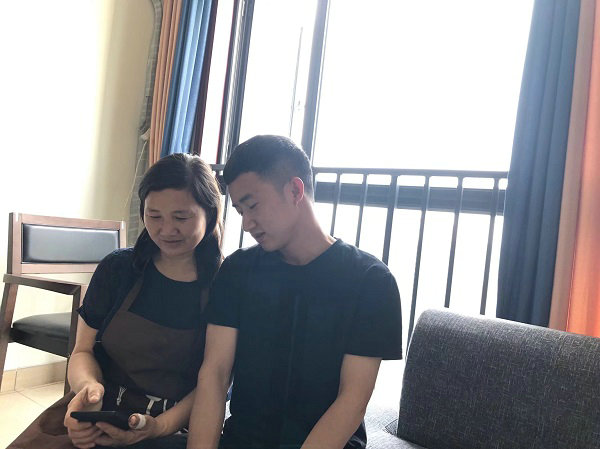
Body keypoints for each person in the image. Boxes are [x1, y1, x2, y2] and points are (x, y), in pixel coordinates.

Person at [187, 135, 403, 449]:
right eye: (240, 211)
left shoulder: (371, 281)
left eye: (253, 205)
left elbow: (352, 400)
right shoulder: (237, 270)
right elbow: (215, 375)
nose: (247, 223)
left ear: (295, 190)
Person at [9, 154, 223, 449]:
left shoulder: (224, 284)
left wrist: (160, 426)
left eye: (181, 218)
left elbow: (215, 383)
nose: (166, 230)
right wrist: (88, 390)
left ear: (210, 214)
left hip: (175, 424)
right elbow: (82, 351)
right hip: (101, 410)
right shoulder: (119, 268)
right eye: (154, 216)